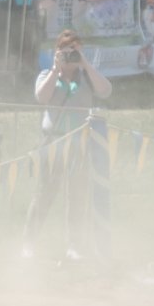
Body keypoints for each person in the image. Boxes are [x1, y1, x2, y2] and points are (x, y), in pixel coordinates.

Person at [27, 25, 113, 263]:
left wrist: (84, 63)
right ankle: (29, 244)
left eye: (74, 50)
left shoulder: (87, 77)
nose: (70, 56)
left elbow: (106, 91)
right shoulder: (46, 75)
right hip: (53, 143)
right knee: (44, 194)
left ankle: (74, 246)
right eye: (66, 51)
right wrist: (56, 69)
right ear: (57, 52)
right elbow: (40, 97)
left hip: (80, 144)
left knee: (77, 196)